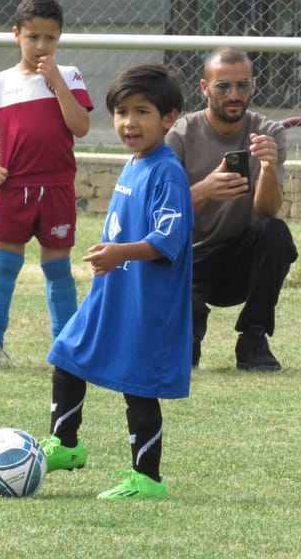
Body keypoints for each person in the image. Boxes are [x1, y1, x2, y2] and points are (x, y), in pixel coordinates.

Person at [42, 64, 193, 499]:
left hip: (147, 300)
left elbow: (168, 239)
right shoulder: (136, 162)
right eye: (122, 112)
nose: (130, 122)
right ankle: (65, 444)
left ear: (169, 118)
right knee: (68, 354)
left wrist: (118, 253)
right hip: (112, 292)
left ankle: (147, 479)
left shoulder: (167, 171)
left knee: (138, 386)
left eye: (142, 111)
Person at [0, 0, 92, 367]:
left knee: (57, 268)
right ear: (16, 34)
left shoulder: (68, 76)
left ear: (59, 38)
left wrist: (57, 84)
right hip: (14, 188)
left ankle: (65, 346)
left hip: (56, 189)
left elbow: (81, 127)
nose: (41, 46)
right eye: (33, 36)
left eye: (50, 38)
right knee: (4, 266)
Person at [165, 47, 298, 371]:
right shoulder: (180, 135)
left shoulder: (269, 133)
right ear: (205, 88)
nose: (234, 95)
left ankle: (253, 338)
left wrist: (267, 168)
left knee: (275, 232)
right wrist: (203, 191)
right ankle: (188, 337)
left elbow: (267, 212)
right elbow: (163, 215)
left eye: (243, 85)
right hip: (190, 258)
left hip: (241, 258)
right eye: (223, 86)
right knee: (184, 353)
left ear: (254, 85)